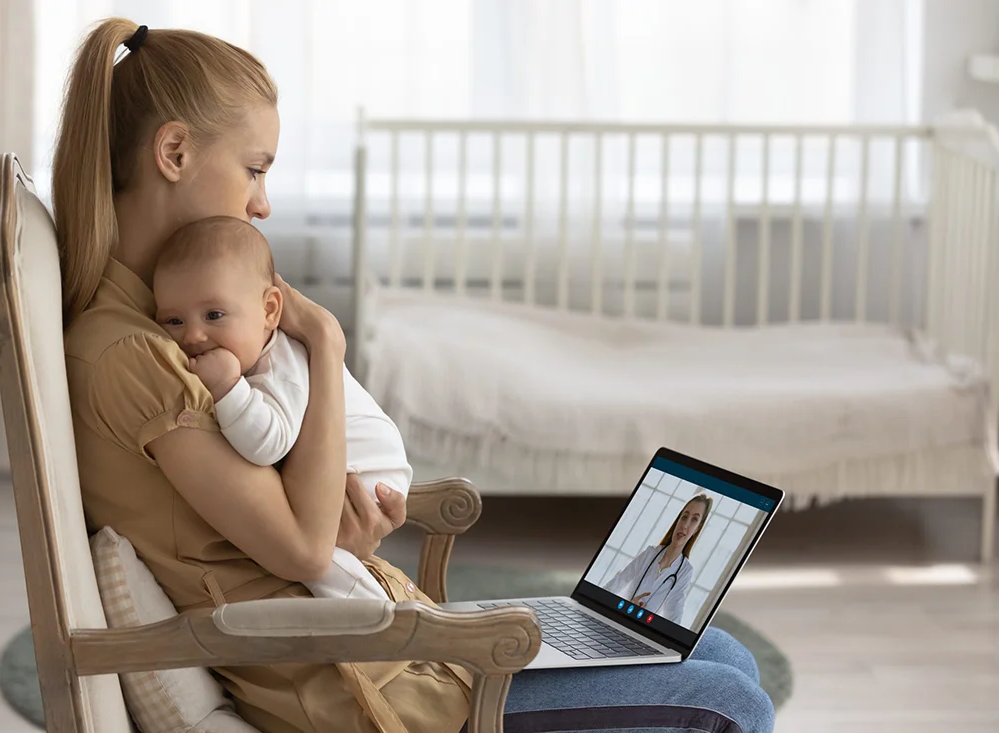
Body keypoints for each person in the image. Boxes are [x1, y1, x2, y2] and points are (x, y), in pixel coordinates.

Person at [57, 18, 775, 733]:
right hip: (365, 689)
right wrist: (326, 346)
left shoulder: (166, 328)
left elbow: (289, 518)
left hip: (386, 643)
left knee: (719, 654)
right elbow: (305, 547)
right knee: (732, 698)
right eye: (255, 167)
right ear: (175, 151)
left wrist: (344, 525)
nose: (262, 203)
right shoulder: (131, 353)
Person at [152, 215, 412, 602]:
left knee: (324, 566)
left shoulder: (281, 367)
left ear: (270, 310)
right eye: (173, 320)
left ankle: (372, 609)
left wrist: (227, 388)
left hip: (365, 472)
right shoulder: (254, 355)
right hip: (348, 465)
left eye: (214, 315)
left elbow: (268, 444)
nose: (192, 336)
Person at [604, 494, 713, 624]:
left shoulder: (685, 571)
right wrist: (626, 606)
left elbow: (674, 616)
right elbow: (617, 583)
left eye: (694, 520)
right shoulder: (650, 553)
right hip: (618, 620)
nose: (685, 525)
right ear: (677, 520)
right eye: (684, 517)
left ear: (698, 528)